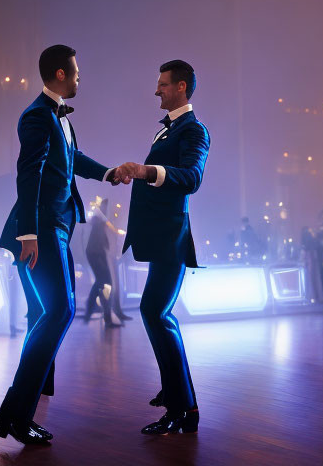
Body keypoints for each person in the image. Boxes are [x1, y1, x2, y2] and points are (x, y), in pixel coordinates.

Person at [0, 45, 121, 446]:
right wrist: (28, 233)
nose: (81, 77)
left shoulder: (58, 117)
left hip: (59, 227)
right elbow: (28, 174)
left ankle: (17, 411)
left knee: (45, 314)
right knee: (60, 310)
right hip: (41, 229)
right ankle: (16, 413)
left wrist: (109, 173)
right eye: (77, 72)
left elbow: (73, 158)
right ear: (61, 74)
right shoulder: (36, 116)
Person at [117, 60, 210, 436]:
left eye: (163, 84)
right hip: (159, 237)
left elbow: (191, 178)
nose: (157, 90)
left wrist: (143, 171)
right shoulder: (168, 131)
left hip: (171, 237)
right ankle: (180, 400)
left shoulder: (194, 130)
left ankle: (182, 406)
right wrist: (135, 174)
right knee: (157, 314)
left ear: (181, 87)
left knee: (156, 313)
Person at [83, 205, 120, 328]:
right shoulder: (100, 222)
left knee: (102, 283)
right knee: (104, 283)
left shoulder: (99, 222)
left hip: (96, 254)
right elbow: (101, 242)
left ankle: (93, 310)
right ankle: (95, 311)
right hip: (96, 254)